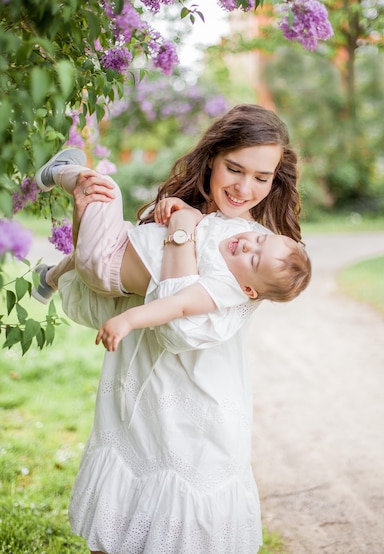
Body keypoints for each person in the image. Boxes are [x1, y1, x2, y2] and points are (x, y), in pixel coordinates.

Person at [47, 104, 304, 554]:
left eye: (262, 178)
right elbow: (101, 285)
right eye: (234, 169)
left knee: (177, 530)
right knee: (119, 525)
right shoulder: (198, 222)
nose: (245, 188)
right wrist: (85, 212)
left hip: (192, 413)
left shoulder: (253, 258)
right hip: (136, 392)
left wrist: (182, 232)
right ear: (211, 159)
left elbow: (178, 331)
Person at [33, 150, 311, 353]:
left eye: (254, 258)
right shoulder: (232, 235)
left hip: (107, 264)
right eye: (260, 240)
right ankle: (48, 281)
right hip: (122, 242)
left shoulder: (222, 286)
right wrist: (177, 207)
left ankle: (58, 171)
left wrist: (126, 321)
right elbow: (198, 223)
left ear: (248, 290)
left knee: (106, 190)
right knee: (100, 216)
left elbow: (176, 305)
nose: (249, 244)